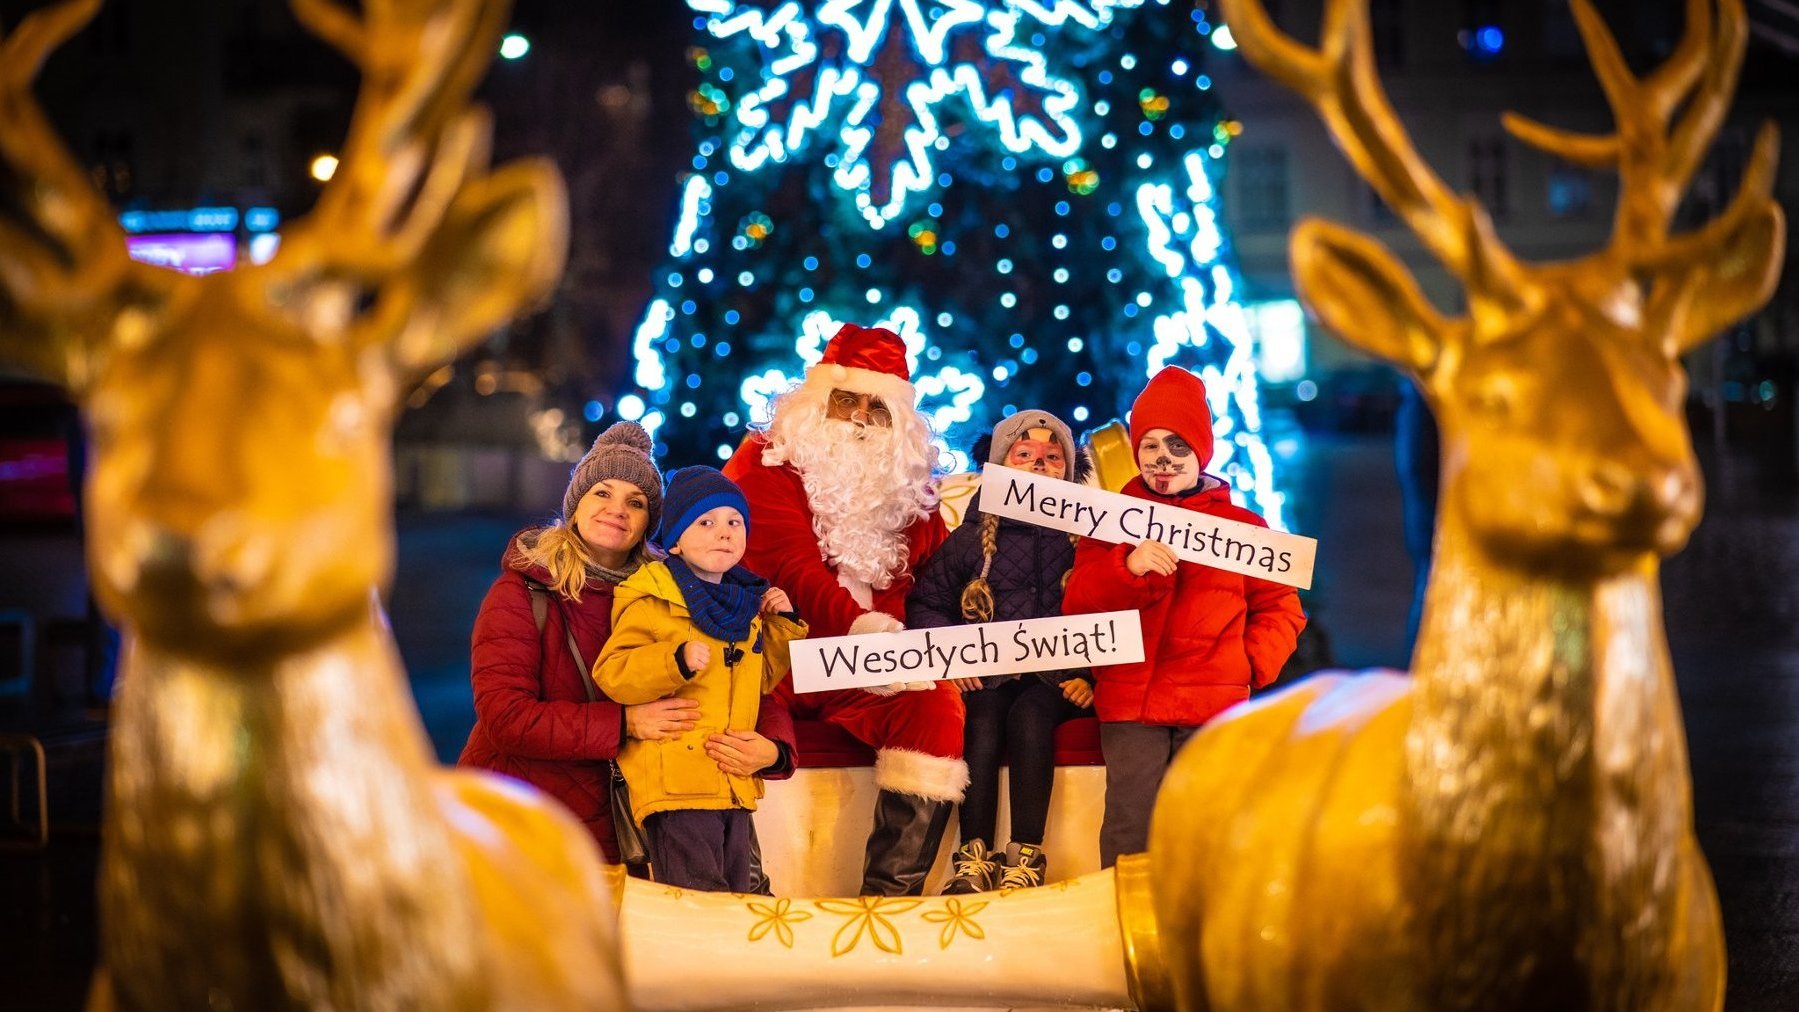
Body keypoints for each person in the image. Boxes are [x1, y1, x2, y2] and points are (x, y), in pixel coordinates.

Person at [459, 422, 798, 868]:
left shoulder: (677, 591)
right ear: (576, 504)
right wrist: (624, 724)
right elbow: (506, 717)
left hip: (630, 821)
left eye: (635, 502)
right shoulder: (524, 592)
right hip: (522, 821)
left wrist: (774, 749)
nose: (617, 510)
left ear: (651, 524)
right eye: (602, 493)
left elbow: (745, 677)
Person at [724, 322, 968, 896]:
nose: (860, 418)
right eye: (846, 400)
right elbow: (787, 563)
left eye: (876, 408)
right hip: (780, 656)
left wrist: (945, 650)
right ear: (816, 402)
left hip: (872, 670)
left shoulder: (911, 490)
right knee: (723, 698)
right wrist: (865, 629)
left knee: (937, 709)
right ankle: (743, 893)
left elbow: (940, 583)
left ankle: (888, 899)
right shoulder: (766, 459)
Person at [1063, 366, 1307, 868]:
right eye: (1150, 445)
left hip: (1212, 705)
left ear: (1200, 451)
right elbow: (1079, 603)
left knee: (1203, 826)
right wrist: (1126, 567)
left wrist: (1247, 663)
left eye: (1177, 444)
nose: (1163, 459)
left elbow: (1281, 609)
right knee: (1131, 829)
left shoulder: (1244, 528)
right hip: (1133, 705)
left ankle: (1198, 933)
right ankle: (1128, 932)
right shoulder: (1111, 522)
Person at [594, 467, 807, 892]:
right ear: (675, 540)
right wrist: (672, 660)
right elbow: (614, 672)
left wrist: (781, 626)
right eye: (705, 523)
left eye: (734, 522)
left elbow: (757, 681)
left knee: (736, 900)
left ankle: (729, 962)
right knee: (696, 901)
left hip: (731, 784)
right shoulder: (653, 598)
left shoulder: (744, 603)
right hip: (678, 786)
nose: (723, 533)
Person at [908, 410, 1094, 893]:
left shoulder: (1085, 540)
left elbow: (1110, 613)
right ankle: (973, 855)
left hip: (1054, 678)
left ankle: (1027, 853)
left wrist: (1089, 676)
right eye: (1025, 455)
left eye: (1052, 458)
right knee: (981, 721)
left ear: (1069, 471)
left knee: (1031, 720)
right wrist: (952, 658)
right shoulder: (971, 537)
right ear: (1000, 466)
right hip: (987, 675)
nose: (1038, 466)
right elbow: (929, 602)